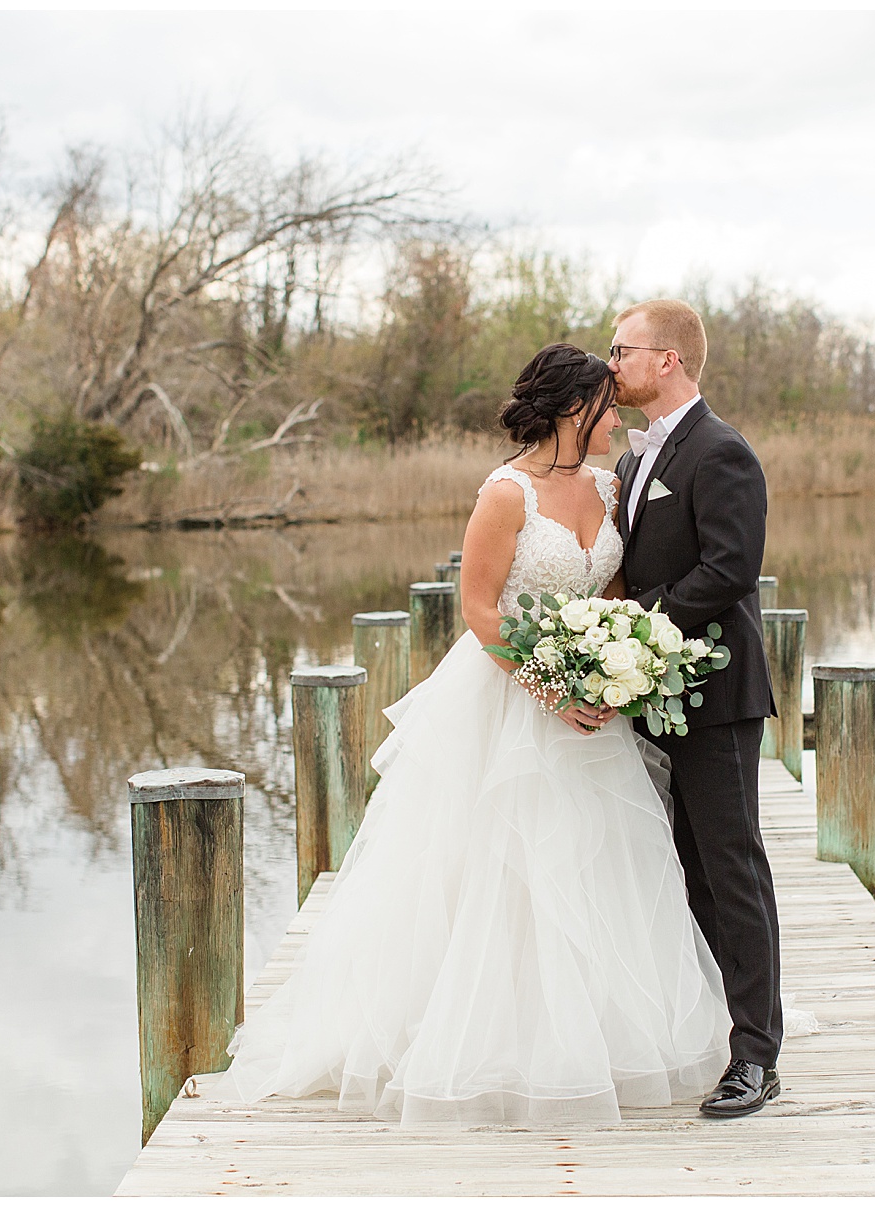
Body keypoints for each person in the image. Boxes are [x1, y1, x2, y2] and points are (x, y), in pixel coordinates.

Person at [218, 343, 733, 1126]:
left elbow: (617, 592)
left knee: (592, 859)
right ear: (573, 409)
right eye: (606, 403)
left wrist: (614, 666)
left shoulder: (612, 483)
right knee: (501, 864)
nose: (617, 415)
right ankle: (484, 1038)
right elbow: (481, 608)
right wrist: (550, 685)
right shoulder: (505, 493)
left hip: (589, 705)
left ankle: (591, 1033)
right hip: (508, 696)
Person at [608, 299, 784, 1118]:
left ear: (668, 359)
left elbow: (730, 571)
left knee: (732, 866)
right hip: (650, 693)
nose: (612, 363)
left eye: (623, 349)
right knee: (681, 868)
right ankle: (713, 1025)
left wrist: (642, 626)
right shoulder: (631, 458)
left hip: (716, 696)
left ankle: (757, 1055)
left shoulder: (722, 452)